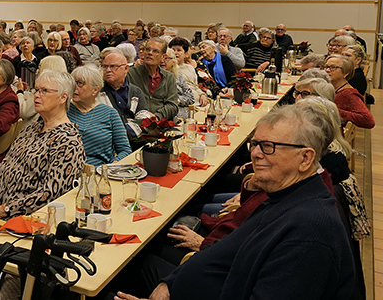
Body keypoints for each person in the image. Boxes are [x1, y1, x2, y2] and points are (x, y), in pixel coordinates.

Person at [115, 104, 354, 300]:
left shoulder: (310, 231)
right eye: (255, 144)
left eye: (268, 146)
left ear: (305, 158)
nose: (256, 154)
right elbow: (227, 248)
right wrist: (171, 283)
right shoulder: (284, 197)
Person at [0, 70, 85, 218]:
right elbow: (5, 165)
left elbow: (50, 194)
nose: (37, 95)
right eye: (36, 90)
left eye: (44, 91)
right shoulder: (31, 128)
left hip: (23, 222)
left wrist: (3, 210)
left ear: (63, 97)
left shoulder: (68, 140)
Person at [68, 66, 131, 166]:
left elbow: (125, 150)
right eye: (73, 83)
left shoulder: (110, 113)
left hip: (99, 171)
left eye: (80, 83)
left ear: (95, 90)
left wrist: (111, 166)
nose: (74, 88)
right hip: (67, 170)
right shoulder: (63, 110)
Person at [126, 38, 179, 120]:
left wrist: (157, 116)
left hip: (162, 123)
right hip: (137, 122)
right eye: (148, 49)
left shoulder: (169, 77)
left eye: (155, 51)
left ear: (163, 57)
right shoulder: (131, 74)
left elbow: (173, 106)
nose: (150, 53)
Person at [97, 52, 149, 127]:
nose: (108, 70)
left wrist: (130, 130)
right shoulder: (97, 91)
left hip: (132, 135)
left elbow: (143, 116)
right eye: (105, 66)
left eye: (113, 66)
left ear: (126, 69)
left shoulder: (135, 92)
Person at [18, 55, 68, 131]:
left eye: (40, 67)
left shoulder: (43, 95)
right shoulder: (65, 88)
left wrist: (19, 91)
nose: (38, 71)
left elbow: (22, 111)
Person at [324, 54, 374, 129]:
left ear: (345, 73)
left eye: (333, 67)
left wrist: (334, 111)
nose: (327, 70)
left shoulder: (348, 93)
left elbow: (369, 121)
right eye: (326, 67)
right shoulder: (331, 87)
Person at [168, 37, 208, 107]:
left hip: (199, 103)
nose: (175, 53)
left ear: (185, 54)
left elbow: (196, 87)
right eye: (173, 50)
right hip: (184, 104)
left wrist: (202, 94)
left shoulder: (190, 68)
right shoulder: (169, 69)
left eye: (179, 50)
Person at [161, 49, 196, 120]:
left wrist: (178, 100)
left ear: (173, 62)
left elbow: (191, 97)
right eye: (161, 58)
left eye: (166, 58)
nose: (162, 61)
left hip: (183, 113)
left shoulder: (178, 75)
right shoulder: (156, 77)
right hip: (168, 115)